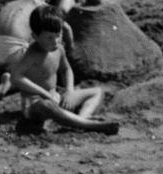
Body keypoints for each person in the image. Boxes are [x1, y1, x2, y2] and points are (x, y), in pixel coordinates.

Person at [9, 5, 118, 134]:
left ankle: (82, 118)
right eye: (49, 37)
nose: (55, 41)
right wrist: (46, 94)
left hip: (56, 97)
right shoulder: (33, 54)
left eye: (58, 35)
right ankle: (89, 125)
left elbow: (66, 70)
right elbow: (16, 77)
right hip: (35, 103)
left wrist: (69, 91)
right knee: (46, 106)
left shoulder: (58, 49)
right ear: (35, 36)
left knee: (97, 92)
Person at [0, 0, 75, 101]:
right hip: (15, 54)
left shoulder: (13, 3)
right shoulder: (41, 8)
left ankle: (5, 70)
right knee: (39, 53)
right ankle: (11, 82)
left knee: (36, 36)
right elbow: (66, 29)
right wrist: (70, 49)